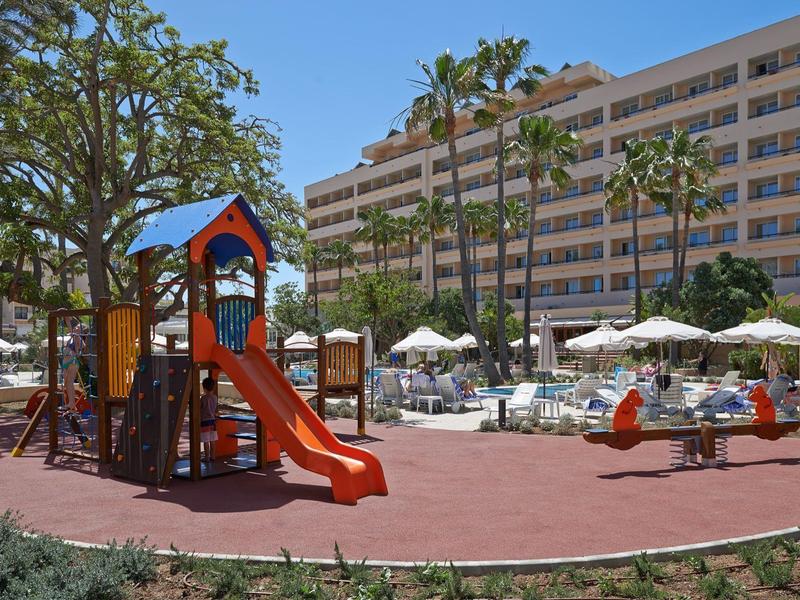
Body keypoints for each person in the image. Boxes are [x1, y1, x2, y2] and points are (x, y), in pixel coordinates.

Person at [62, 318, 85, 411]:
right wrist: (66, 317)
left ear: (81, 330)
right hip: (66, 362)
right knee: (66, 383)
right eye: (75, 327)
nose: (76, 328)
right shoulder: (72, 337)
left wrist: (77, 339)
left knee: (70, 382)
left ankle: (71, 403)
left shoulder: (77, 337)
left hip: (72, 361)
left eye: (78, 327)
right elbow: (69, 323)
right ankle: (70, 403)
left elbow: (83, 346)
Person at [200, 376, 218, 463]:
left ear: (204, 388)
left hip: (205, 421)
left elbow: (200, 407)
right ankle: (213, 456)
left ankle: (207, 457)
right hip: (213, 421)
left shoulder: (203, 398)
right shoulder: (215, 397)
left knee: (206, 441)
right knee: (212, 440)